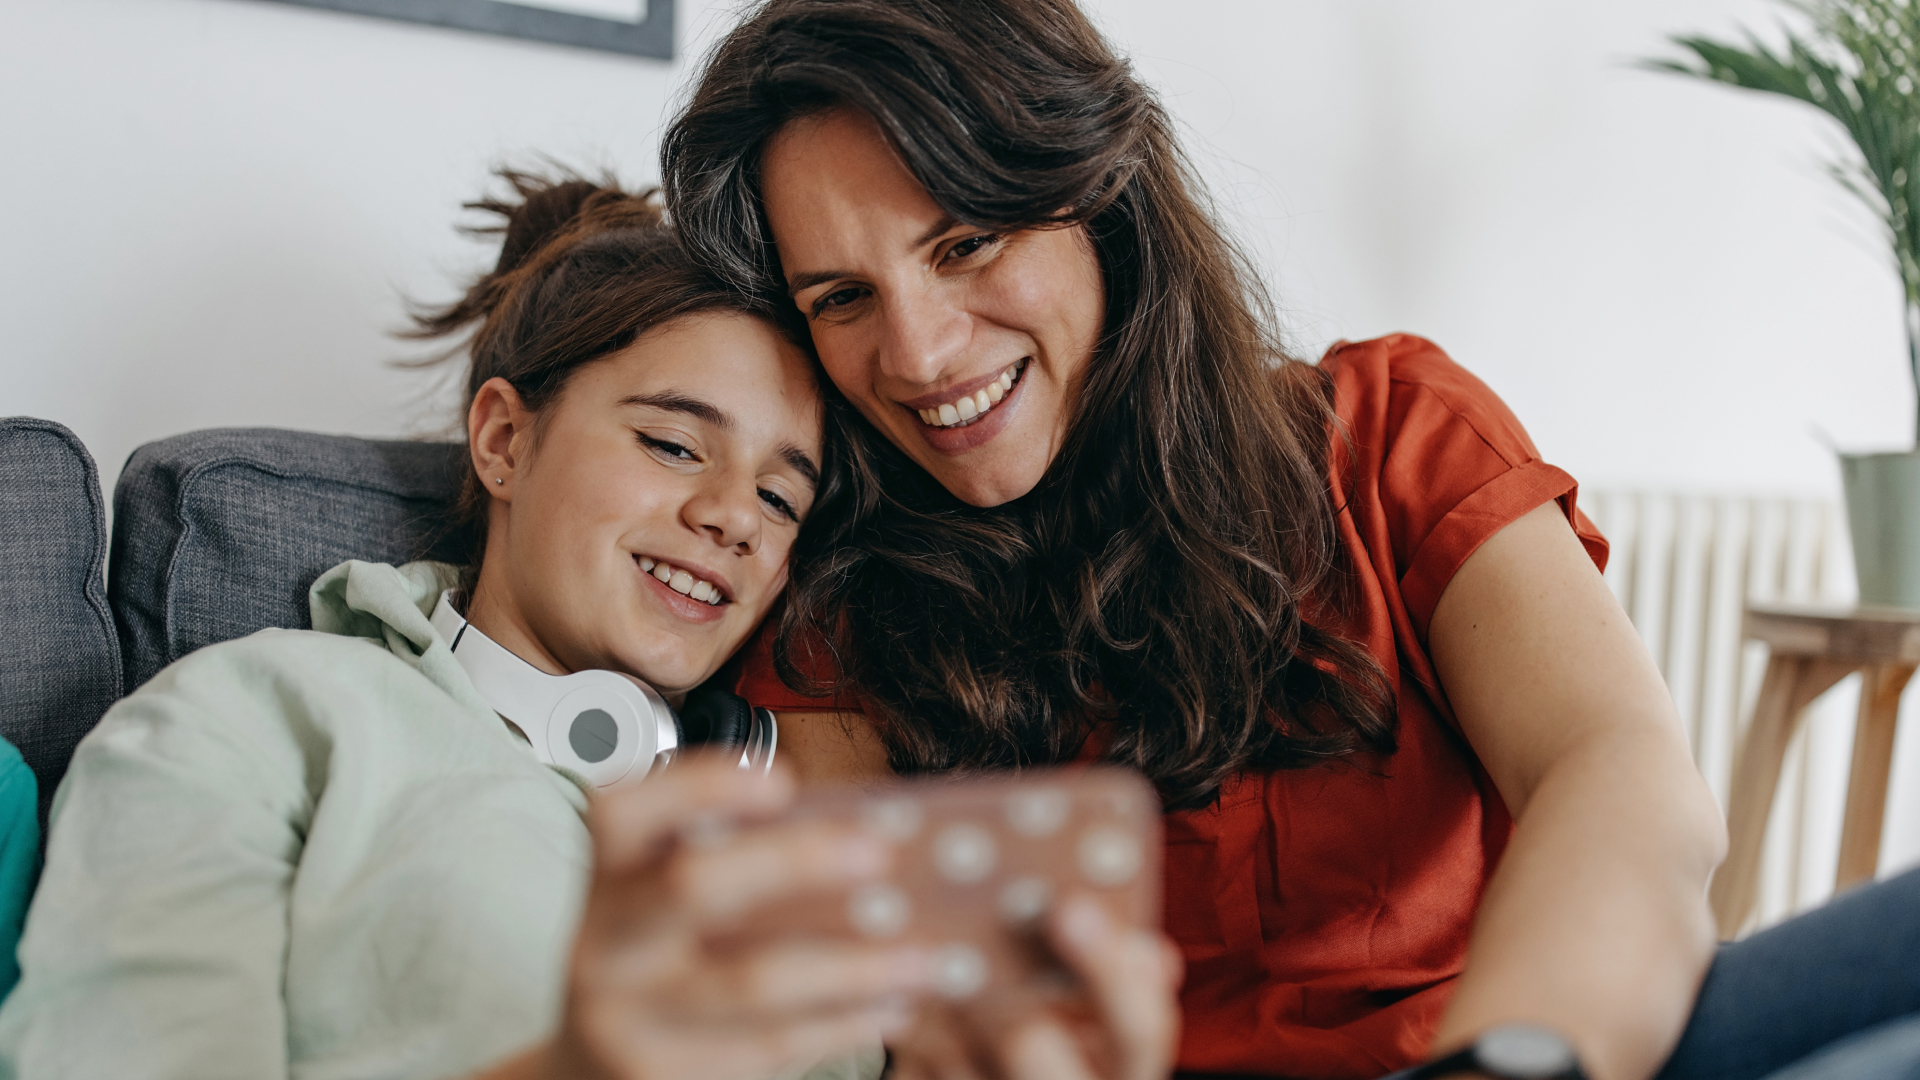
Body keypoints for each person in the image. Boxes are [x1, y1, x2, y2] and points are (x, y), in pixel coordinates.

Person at [659, 3, 1920, 1079]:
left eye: (967, 242)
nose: (921, 353)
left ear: (1100, 197)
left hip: (1529, 1046)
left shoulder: (1390, 431)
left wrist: (1503, 1065)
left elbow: (1623, 784)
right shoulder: (841, 619)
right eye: (842, 299)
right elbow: (941, 1029)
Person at [0, 174, 962, 1080]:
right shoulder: (256, 716)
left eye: (782, 499)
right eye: (673, 445)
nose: (734, 517)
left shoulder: (774, 855)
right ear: (504, 440)